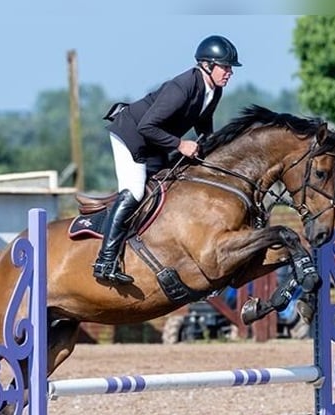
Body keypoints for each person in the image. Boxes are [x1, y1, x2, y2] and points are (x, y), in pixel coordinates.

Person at [93, 34, 241, 285]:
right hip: (132, 136)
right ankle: (105, 260)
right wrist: (181, 144)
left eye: (229, 68)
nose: (229, 73)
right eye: (225, 67)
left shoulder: (213, 91)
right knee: (136, 191)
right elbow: (146, 126)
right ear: (207, 65)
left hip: (156, 142)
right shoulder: (181, 87)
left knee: (172, 186)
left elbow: (204, 127)